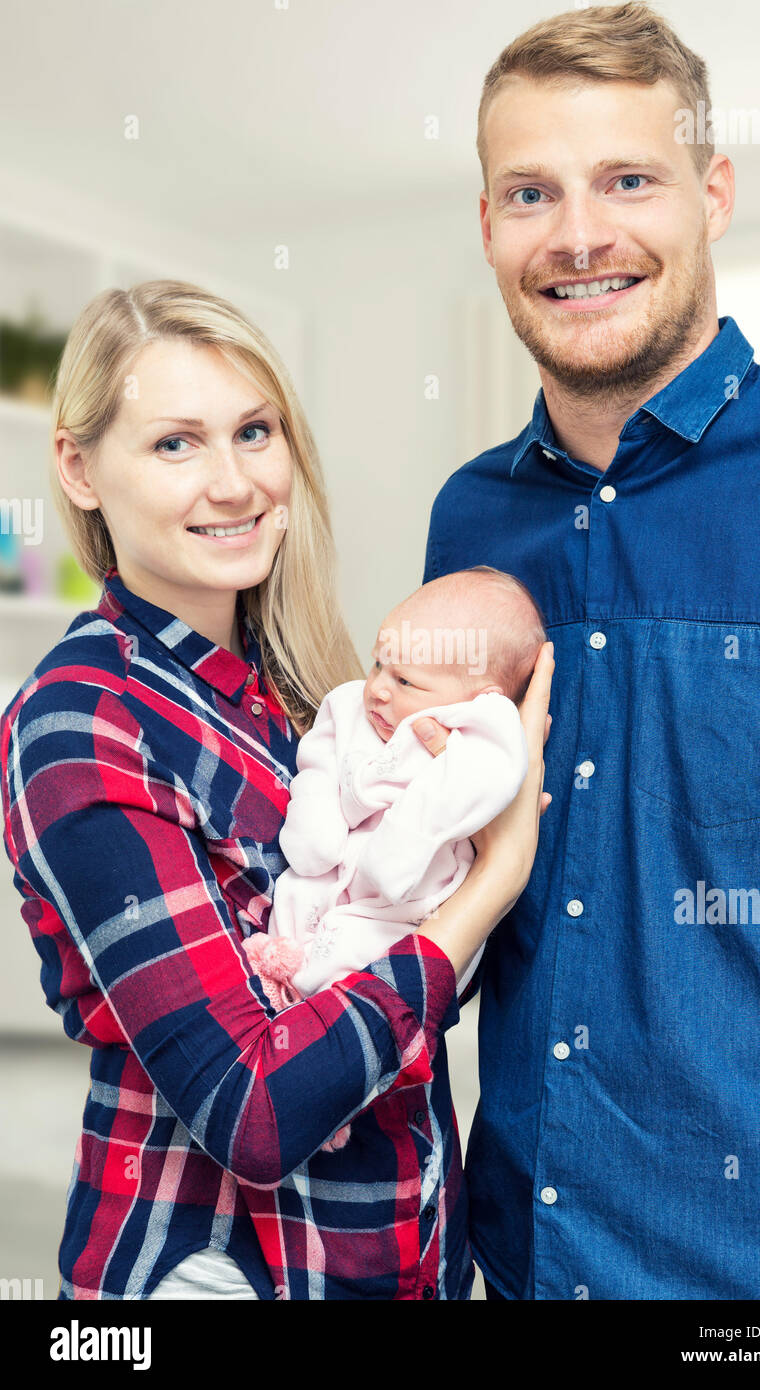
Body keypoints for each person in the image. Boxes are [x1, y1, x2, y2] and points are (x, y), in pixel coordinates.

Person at [423, 3, 760, 1299]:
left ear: (711, 194)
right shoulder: (471, 518)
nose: (576, 235)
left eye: (627, 178)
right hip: (512, 1257)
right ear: (489, 223)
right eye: (528, 191)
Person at [0, 278, 553, 1300]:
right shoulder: (83, 721)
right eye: (175, 444)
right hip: (218, 1270)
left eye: (254, 431)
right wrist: (491, 881)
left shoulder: (314, 694)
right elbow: (251, 1109)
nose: (233, 481)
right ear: (78, 468)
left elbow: (411, 981)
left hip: (395, 1251)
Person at [242, 567, 546, 1155]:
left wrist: (393, 855)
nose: (378, 687)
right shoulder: (355, 707)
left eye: (405, 678)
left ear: (475, 699)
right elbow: (320, 759)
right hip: (338, 876)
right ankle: (280, 999)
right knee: (301, 894)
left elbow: (442, 807)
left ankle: (330, 1085)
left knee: (372, 980)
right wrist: (316, 827)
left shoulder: (481, 743)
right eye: (380, 661)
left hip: (408, 905)